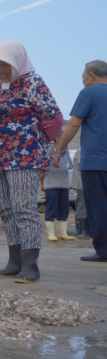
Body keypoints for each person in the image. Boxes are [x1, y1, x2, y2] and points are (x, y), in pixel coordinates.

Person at [0, 40, 63, 282]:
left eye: (4, 63)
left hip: (23, 156)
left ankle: (31, 265)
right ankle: (14, 260)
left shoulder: (32, 82)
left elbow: (54, 119)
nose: (0, 68)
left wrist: (35, 143)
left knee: (23, 208)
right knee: (6, 209)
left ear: (17, 60)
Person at [53, 60, 107, 262]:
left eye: (83, 76)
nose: (83, 80)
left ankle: (103, 251)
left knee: (98, 208)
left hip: (95, 162)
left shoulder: (88, 93)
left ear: (91, 75)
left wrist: (59, 150)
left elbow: (74, 124)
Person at [42, 136, 74, 241]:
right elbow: (42, 168)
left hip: (64, 183)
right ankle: (51, 233)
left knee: (64, 208)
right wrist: (41, 182)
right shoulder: (49, 150)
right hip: (51, 183)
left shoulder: (66, 151)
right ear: (57, 139)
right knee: (51, 208)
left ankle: (62, 232)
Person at [71, 147, 91, 240]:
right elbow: (83, 166)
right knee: (82, 207)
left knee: (89, 208)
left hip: (90, 184)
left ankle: (88, 230)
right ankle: (81, 231)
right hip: (82, 184)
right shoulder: (81, 150)